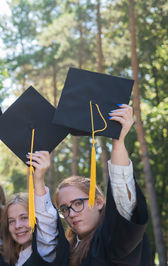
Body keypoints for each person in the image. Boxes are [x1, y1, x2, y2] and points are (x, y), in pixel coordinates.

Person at [54, 104, 150, 266]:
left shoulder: (112, 238)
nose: (71, 214)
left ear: (99, 202)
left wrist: (118, 143)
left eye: (77, 203)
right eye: (64, 208)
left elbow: (123, 199)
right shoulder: (67, 249)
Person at [1, 151, 69, 266]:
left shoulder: (45, 252)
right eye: (11, 221)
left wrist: (38, 179)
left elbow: (45, 221)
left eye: (24, 217)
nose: (17, 225)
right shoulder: (12, 259)